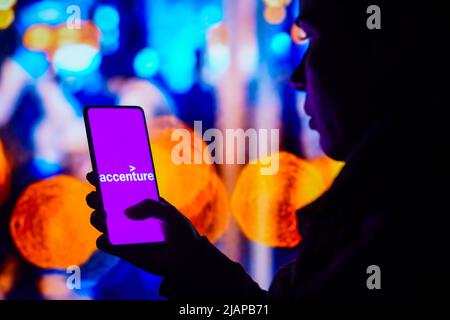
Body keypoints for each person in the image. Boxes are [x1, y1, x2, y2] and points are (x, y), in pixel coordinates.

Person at [86, 0, 446, 300]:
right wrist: (185, 260)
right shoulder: (374, 210)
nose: (298, 76)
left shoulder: (388, 229)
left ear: (381, 54)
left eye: (312, 38)